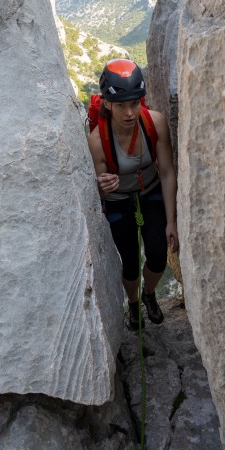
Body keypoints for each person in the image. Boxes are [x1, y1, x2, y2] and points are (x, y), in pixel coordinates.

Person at [88, 58, 179, 330]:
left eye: (134, 103)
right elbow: (95, 187)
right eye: (121, 105)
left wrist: (171, 221)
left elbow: (167, 171)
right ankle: (134, 303)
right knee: (128, 261)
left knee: (157, 253)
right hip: (118, 199)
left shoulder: (155, 122)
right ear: (106, 103)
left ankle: (149, 294)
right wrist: (100, 186)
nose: (129, 112)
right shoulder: (97, 140)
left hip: (150, 188)